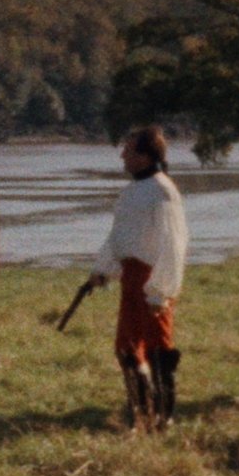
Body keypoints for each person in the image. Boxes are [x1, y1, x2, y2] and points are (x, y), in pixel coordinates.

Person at [86, 124, 188, 430]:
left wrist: (160, 291)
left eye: (128, 151)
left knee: (158, 349)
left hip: (152, 278)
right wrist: (103, 270)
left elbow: (173, 243)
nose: (122, 156)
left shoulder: (163, 191)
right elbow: (119, 236)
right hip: (130, 277)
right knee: (127, 348)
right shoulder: (131, 192)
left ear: (144, 156)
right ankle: (140, 413)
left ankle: (163, 418)